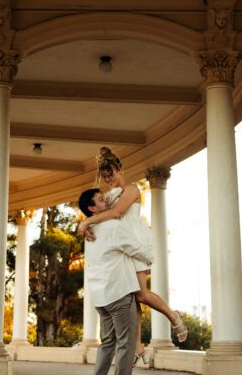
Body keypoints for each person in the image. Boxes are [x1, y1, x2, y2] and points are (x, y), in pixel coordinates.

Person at [78, 146, 187, 364]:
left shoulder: (132, 189)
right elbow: (100, 212)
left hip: (134, 242)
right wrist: (85, 224)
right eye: (105, 176)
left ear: (120, 169)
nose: (109, 179)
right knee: (131, 295)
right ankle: (138, 346)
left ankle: (173, 315)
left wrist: (87, 221)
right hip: (120, 246)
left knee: (141, 294)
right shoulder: (107, 195)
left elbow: (117, 213)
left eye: (112, 174)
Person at [78, 186, 151, 375]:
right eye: (101, 200)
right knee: (126, 346)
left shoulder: (89, 230)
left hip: (100, 297)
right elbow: (136, 249)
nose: (106, 202)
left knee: (107, 344)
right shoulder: (111, 226)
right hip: (119, 293)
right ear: (91, 208)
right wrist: (151, 257)